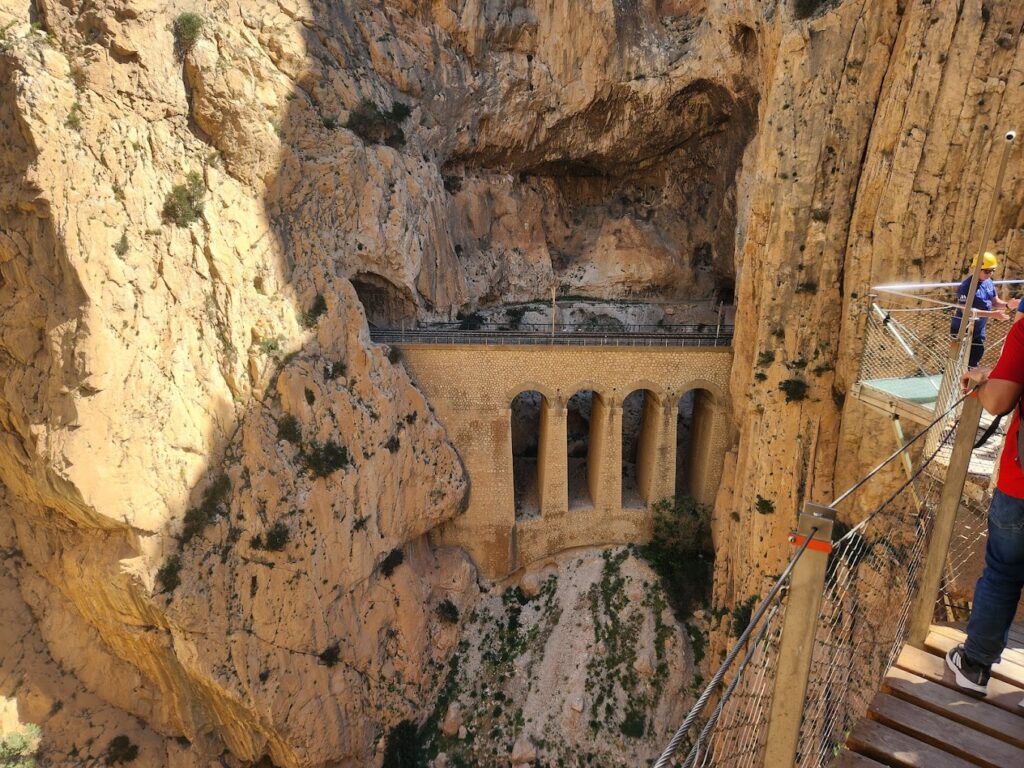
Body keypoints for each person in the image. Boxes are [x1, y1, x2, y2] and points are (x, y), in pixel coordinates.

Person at [949, 322, 1024, 704]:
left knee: (1003, 573)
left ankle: (975, 666)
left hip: (1020, 485)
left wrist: (982, 380)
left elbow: (998, 401)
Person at [950, 252, 1017, 368]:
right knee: (959, 364)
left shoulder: (988, 282)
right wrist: (992, 314)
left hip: (978, 330)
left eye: (992, 270)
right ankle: (960, 384)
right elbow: (966, 311)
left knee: (974, 360)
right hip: (962, 330)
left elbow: (995, 301)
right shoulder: (966, 286)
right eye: (987, 271)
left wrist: (1008, 305)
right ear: (976, 269)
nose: (990, 274)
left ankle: (969, 385)